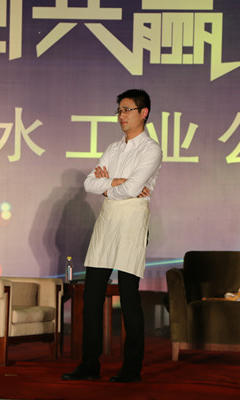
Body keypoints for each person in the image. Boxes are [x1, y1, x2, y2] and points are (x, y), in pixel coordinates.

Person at [61, 89, 162, 383]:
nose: (121, 116)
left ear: (143, 113)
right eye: (119, 110)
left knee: (129, 297)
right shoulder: (113, 148)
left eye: (127, 110)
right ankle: (89, 364)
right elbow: (89, 183)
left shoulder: (151, 149)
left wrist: (109, 186)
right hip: (107, 220)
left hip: (132, 220)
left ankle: (132, 368)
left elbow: (133, 189)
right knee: (92, 295)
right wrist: (115, 183)